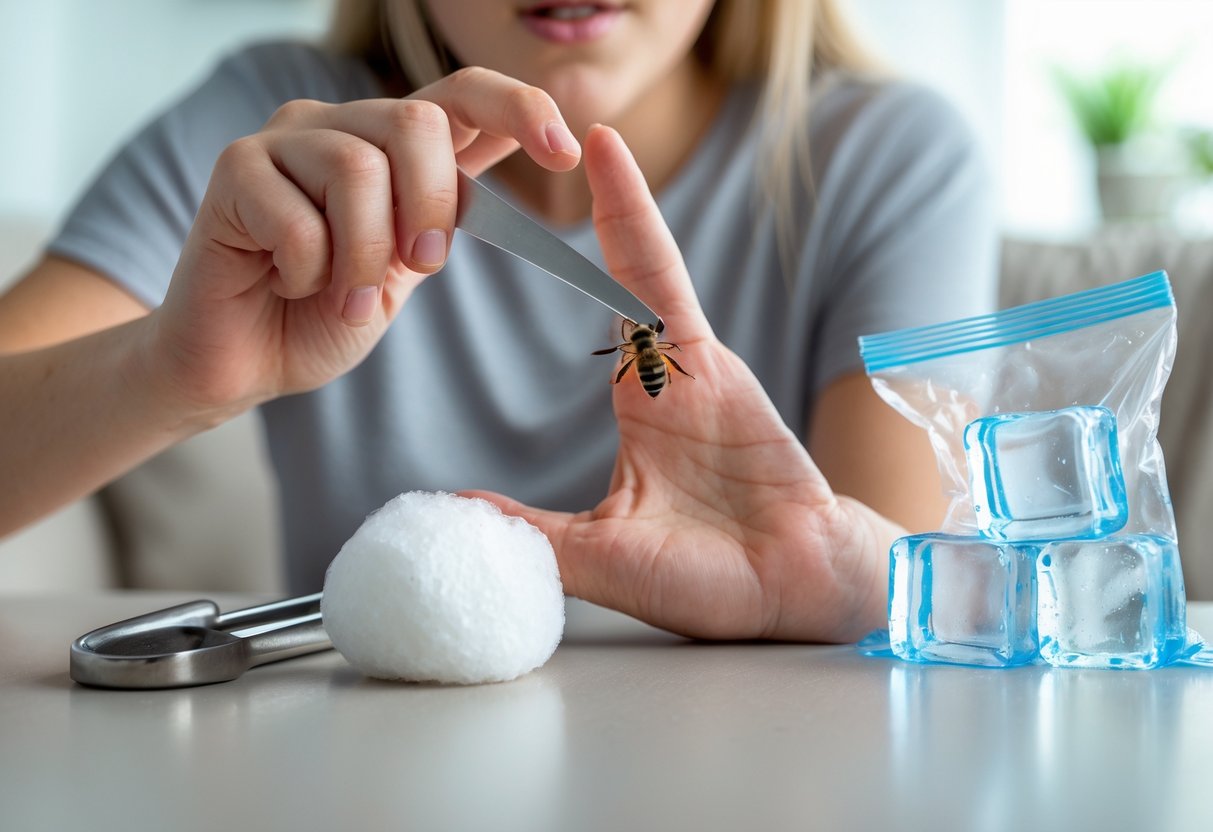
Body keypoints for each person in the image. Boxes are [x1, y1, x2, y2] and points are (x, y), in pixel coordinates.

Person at [0, 0, 996, 642]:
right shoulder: (275, 128)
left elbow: (914, 610)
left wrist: (829, 571)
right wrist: (177, 374)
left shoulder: (887, 157)